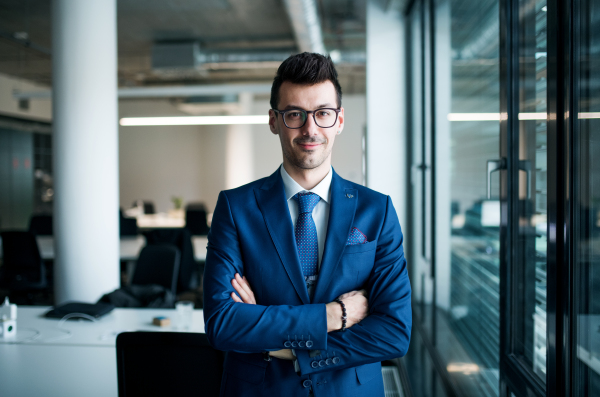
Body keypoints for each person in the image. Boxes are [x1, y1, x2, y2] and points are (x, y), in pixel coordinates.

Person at [203, 52, 411, 397]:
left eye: (323, 114)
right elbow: (222, 324)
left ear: (339, 120)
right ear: (274, 120)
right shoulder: (235, 208)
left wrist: (290, 350)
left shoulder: (378, 210)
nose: (310, 128)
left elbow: (394, 331)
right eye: (295, 114)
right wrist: (334, 315)